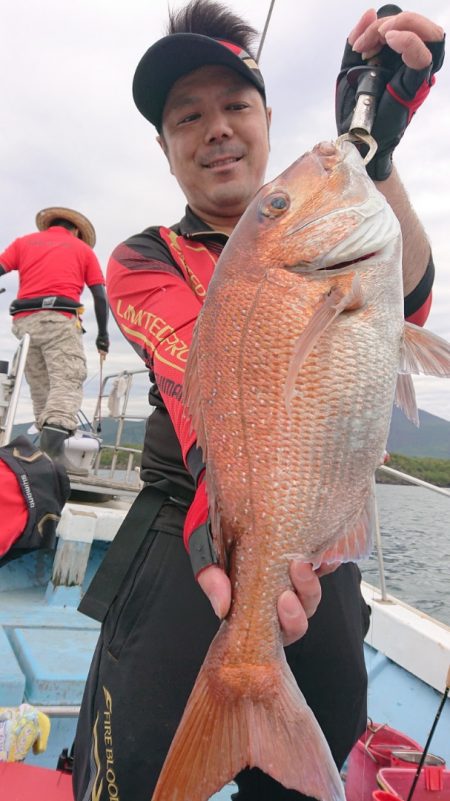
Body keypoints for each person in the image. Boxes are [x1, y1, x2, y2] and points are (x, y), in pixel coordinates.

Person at [73, 2, 445, 799]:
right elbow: (193, 385)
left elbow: (407, 300)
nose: (216, 129)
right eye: (187, 116)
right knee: (130, 759)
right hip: (189, 524)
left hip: (318, 538)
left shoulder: (340, 230)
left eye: (236, 105)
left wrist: (377, 158)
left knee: (324, 739)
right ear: (165, 147)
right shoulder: (145, 256)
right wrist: (234, 526)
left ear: (267, 120)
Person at [0, 207, 110, 475]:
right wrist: (103, 336)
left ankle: (38, 460)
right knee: (67, 381)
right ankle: (50, 459)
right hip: (59, 320)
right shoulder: (83, 250)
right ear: (76, 231)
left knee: (42, 387)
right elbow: (99, 295)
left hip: (24, 324)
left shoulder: (23, 243)